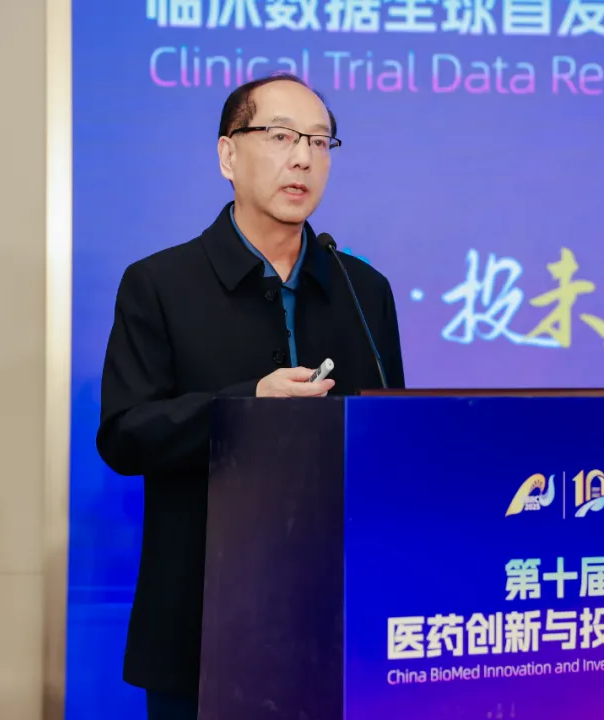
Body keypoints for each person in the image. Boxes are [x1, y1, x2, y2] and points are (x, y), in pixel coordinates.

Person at [95, 74, 406, 720]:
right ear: (228, 155)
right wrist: (245, 408)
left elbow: (390, 436)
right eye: (282, 137)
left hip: (338, 625)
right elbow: (125, 434)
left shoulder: (362, 289)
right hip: (201, 625)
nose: (304, 158)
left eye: (319, 142)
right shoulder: (160, 285)